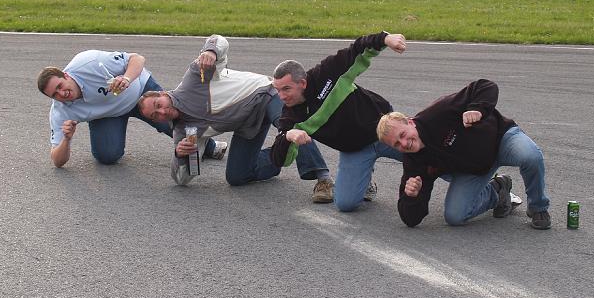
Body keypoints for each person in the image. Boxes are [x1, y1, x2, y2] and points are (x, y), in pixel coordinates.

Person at [137, 35, 333, 202]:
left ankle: (323, 179)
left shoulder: (194, 79)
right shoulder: (185, 132)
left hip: (264, 95)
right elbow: (184, 178)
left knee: (288, 126)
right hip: (248, 125)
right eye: (155, 115)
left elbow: (219, 40)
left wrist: (211, 51)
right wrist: (181, 156)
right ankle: (280, 155)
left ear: (162, 93)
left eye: (158, 105)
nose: (162, 112)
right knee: (237, 176)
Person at [376, 79, 551, 230]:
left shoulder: (438, 113)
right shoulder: (414, 162)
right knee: (455, 216)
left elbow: (485, 85)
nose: (404, 144)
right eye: (396, 144)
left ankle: (538, 207)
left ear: (410, 122)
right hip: (475, 170)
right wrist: (412, 197)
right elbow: (410, 220)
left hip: (501, 139)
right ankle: (498, 190)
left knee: (530, 156)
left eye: (402, 135)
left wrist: (477, 109)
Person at [269, 31, 406, 212]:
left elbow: (357, 48)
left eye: (286, 89)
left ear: (302, 83)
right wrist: (288, 136)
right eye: (277, 90)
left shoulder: (326, 73)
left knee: (424, 152)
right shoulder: (290, 117)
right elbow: (279, 160)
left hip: (384, 129)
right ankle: (364, 178)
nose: (281, 96)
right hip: (355, 149)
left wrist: (385, 38)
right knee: (345, 204)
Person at [37, 49, 220, 168]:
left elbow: (137, 58)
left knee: (171, 119)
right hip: (109, 114)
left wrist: (126, 78)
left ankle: (210, 146)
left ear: (66, 75)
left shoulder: (88, 62)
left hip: (140, 91)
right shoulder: (61, 110)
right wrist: (66, 139)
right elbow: (57, 160)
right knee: (107, 156)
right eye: (55, 94)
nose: (62, 94)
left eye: (60, 86)